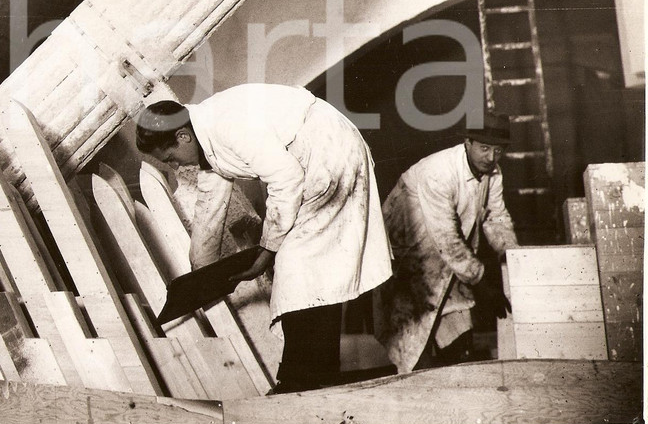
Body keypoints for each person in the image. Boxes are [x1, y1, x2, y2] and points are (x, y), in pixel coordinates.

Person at [135, 83, 392, 393]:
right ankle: (315, 373)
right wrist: (201, 275)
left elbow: (286, 179)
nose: (178, 166)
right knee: (311, 271)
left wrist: (267, 251)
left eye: (172, 158)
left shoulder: (227, 125)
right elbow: (210, 206)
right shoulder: (204, 140)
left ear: (182, 137)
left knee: (297, 264)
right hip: (309, 159)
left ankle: (301, 378)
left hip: (327, 152)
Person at [374, 111, 519, 373]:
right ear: (468, 143)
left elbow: (495, 217)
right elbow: (447, 238)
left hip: (447, 256)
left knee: (458, 328)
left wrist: (514, 259)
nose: (491, 157)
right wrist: (482, 281)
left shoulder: (493, 173)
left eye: (498, 150)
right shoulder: (438, 172)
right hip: (410, 257)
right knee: (414, 342)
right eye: (484, 148)